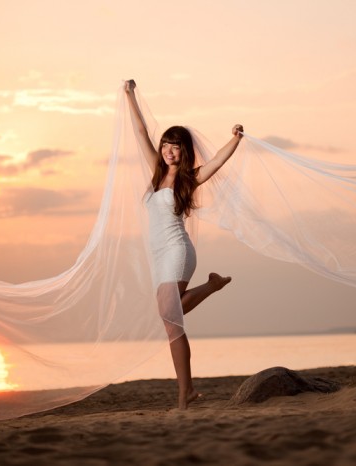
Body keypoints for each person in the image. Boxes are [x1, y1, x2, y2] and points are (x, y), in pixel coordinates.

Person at [124, 79, 243, 409]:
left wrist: (235, 138)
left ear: (184, 150)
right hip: (158, 254)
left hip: (178, 250)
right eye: (166, 145)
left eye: (175, 146)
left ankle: (185, 392)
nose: (168, 150)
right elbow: (139, 132)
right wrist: (130, 95)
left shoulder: (189, 179)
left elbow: (218, 161)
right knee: (169, 316)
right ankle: (212, 286)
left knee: (169, 315)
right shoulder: (155, 172)